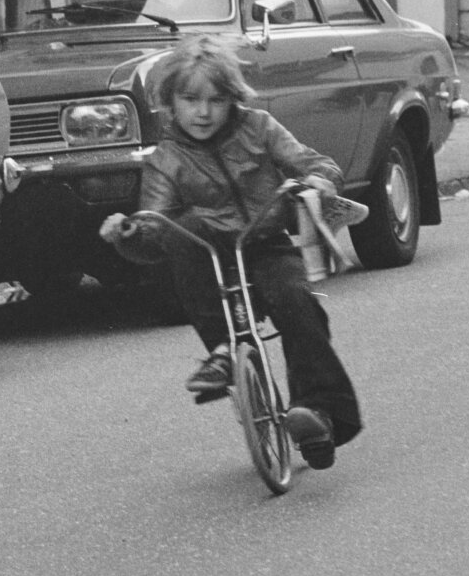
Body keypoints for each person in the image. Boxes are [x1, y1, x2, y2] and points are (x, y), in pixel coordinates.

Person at [99, 35, 361, 470]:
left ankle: (316, 413)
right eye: (190, 100)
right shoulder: (166, 158)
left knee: (298, 303)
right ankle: (222, 350)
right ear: (170, 101)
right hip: (210, 262)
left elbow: (312, 162)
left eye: (216, 100)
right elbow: (152, 226)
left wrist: (317, 181)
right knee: (183, 228)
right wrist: (126, 234)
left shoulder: (259, 127)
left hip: (266, 245)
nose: (203, 112)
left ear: (232, 99)